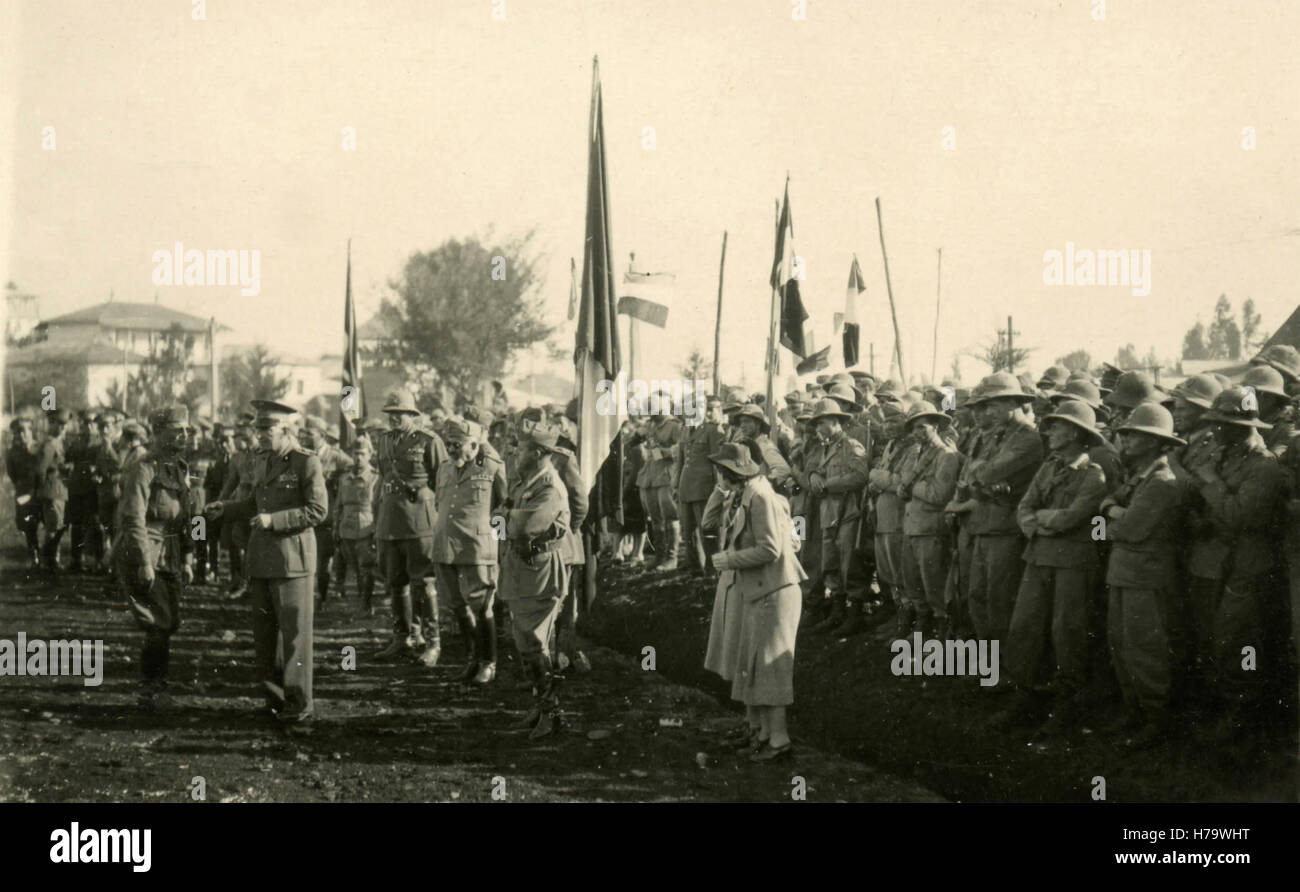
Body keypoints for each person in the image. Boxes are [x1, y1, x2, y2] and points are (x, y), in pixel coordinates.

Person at [205, 399, 327, 729]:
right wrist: (226, 509)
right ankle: (275, 701)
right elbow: (253, 504)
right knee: (264, 637)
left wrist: (275, 520)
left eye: (266, 429)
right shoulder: (263, 460)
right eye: (257, 429)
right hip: (261, 561)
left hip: (293, 562)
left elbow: (317, 511)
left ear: (286, 430)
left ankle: (300, 707)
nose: (259, 435)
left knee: (294, 638)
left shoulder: (306, 463)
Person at [1001, 401, 1107, 740]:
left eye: (1057, 427)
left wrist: (1043, 520)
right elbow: (1025, 506)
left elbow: (1072, 518)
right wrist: (1042, 523)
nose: (1049, 432)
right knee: (1024, 627)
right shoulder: (1048, 466)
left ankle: (1066, 706)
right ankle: (1025, 695)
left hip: (1073, 564)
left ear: (1075, 433)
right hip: (1039, 557)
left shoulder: (1094, 475)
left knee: (1067, 633)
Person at [703, 442, 806, 762]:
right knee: (751, 664)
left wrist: (730, 559)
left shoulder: (761, 498)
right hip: (760, 590)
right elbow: (708, 523)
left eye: (720, 471)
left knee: (769, 668)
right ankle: (760, 732)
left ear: (730, 472)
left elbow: (771, 549)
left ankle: (778, 741)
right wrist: (720, 493)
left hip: (775, 591)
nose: (717, 475)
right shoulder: (747, 493)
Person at [1100, 403, 1185, 748]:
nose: (1126, 439)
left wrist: (1112, 514)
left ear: (1154, 441)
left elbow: (1131, 529)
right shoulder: (1142, 476)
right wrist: (1112, 512)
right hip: (1124, 571)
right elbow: (1107, 508)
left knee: (1144, 648)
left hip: (1145, 576)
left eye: (1135, 434)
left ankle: (1155, 718)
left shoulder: (1162, 481)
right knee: (1120, 644)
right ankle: (1134, 712)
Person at [116, 405, 195, 711]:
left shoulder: (179, 467)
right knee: (158, 623)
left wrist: (188, 556)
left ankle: (157, 683)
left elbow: (187, 516)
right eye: (177, 430)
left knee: (169, 621)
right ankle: (151, 689)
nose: (184, 435)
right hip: (146, 549)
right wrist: (144, 561)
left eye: (186, 430)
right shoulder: (143, 467)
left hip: (172, 553)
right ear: (158, 433)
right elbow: (132, 518)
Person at [500, 428, 571, 739]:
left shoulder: (549, 487)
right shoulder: (526, 483)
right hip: (521, 566)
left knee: (537, 643)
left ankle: (551, 713)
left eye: (522, 450)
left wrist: (505, 515)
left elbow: (525, 526)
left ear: (540, 453)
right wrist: (506, 517)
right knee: (526, 642)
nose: (516, 454)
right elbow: (500, 529)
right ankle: (541, 706)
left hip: (539, 570)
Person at [964, 373, 1044, 642]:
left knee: (1000, 598)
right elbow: (970, 476)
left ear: (1013, 402)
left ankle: (1004, 664)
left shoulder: (1027, 438)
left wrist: (982, 477)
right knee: (977, 594)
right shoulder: (998, 435)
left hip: (1007, 528)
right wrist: (982, 477)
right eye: (986, 405)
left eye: (995, 405)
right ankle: (989, 657)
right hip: (985, 523)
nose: (988, 411)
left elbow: (984, 473)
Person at [374, 390, 449, 665]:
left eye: (399, 414)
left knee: (424, 582)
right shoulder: (383, 441)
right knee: (395, 582)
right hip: (391, 520)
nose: (393, 418)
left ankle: (432, 643)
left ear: (412, 415)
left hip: (420, 521)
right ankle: (403, 637)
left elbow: (443, 480)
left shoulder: (429, 441)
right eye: (390, 414)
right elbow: (382, 478)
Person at [432, 418, 508, 684]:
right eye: (448, 444)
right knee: (457, 606)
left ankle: (489, 662)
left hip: (477, 548)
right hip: (445, 546)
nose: (451, 449)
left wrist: (498, 547)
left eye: (457, 444)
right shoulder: (444, 469)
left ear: (475, 444)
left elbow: (503, 508)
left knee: (482, 607)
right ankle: (472, 658)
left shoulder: (492, 467)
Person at [898, 400, 962, 638]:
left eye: (923, 427)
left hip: (931, 529)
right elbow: (900, 484)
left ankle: (942, 633)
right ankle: (921, 629)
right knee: (914, 583)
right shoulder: (914, 454)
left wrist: (911, 485)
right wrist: (907, 485)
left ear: (935, 426)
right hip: (912, 526)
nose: (918, 433)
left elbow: (939, 494)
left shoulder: (946, 455)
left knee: (935, 586)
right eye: (914, 428)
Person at [676, 395, 728, 575]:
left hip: (704, 488)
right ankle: (694, 565)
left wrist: (719, 488)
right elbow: (681, 461)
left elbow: (717, 462)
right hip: (686, 487)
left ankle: (712, 567)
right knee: (687, 529)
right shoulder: (685, 430)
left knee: (707, 528)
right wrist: (676, 485)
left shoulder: (712, 430)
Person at [334, 435, 380, 613]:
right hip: (347, 527)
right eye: (355, 453)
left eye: (362, 453)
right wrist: (337, 528)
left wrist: (376, 529)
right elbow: (338, 504)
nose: (358, 457)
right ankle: (362, 598)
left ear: (370, 454)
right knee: (354, 566)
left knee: (366, 568)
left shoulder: (375, 478)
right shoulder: (344, 478)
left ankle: (366, 604)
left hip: (366, 527)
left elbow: (378, 505)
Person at [38, 408, 72, 573]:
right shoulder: (50, 444)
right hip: (53, 490)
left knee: (57, 526)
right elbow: (41, 470)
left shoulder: (58, 442)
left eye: (64, 425)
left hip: (59, 489)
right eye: (59, 425)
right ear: (51, 424)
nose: (62, 429)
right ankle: (49, 561)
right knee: (53, 527)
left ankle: (52, 560)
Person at [6, 417, 42, 568]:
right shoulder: (12, 453)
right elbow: (12, 473)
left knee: (50, 521)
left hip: (41, 490)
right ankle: (34, 557)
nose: (20, 435)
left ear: (31, 431)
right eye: (16, 432)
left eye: (23, 430)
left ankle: (53, 556)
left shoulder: (39, 448)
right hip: (24, 492)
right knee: (28, 525)